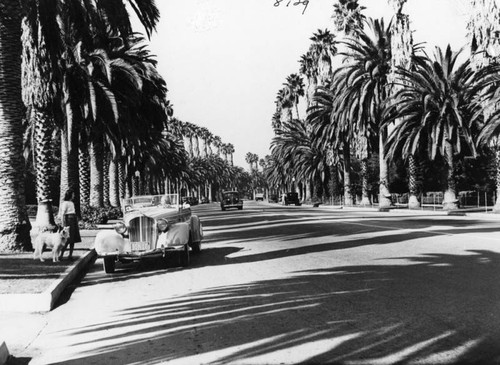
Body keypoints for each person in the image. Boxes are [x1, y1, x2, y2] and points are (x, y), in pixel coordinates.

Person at [58, 189, 81, 260]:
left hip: (73, 219)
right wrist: (63, 223)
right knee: (67, 238)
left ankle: (70, 255)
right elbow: (63, 214)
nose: (74, 195)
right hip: (68, 220)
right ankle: (61, 255)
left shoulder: (71, 203)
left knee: (73, 238)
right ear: (70, 195)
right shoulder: (65, 203)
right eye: (73, 194)